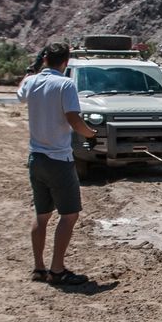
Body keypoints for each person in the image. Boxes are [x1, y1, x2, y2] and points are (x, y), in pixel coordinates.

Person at [16, 41, 96, 286]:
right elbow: (73, 118)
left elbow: (20, 92)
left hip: (36, 157)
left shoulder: (30, 81)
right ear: (66, 61)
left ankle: (39, 268)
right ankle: (58, 270)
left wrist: (32, 70)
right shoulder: (65, 84)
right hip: (59, 159)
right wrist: (91, 134)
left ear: (45, 59)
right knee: (69, 215)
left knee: (42, 215)